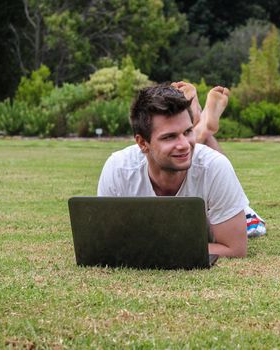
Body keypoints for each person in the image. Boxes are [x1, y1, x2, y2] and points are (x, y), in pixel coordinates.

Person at [97, 82, 265, 258]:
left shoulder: (215, 167)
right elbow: (104, 242)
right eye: (169, 137)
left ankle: (202, 128)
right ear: (142, 143)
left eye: (187, 132)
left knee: (252, 225)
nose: (184, 145)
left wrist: (149, 247)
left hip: (227, 211)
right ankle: (202, 128)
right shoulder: (118, 168)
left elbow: (235, 249)